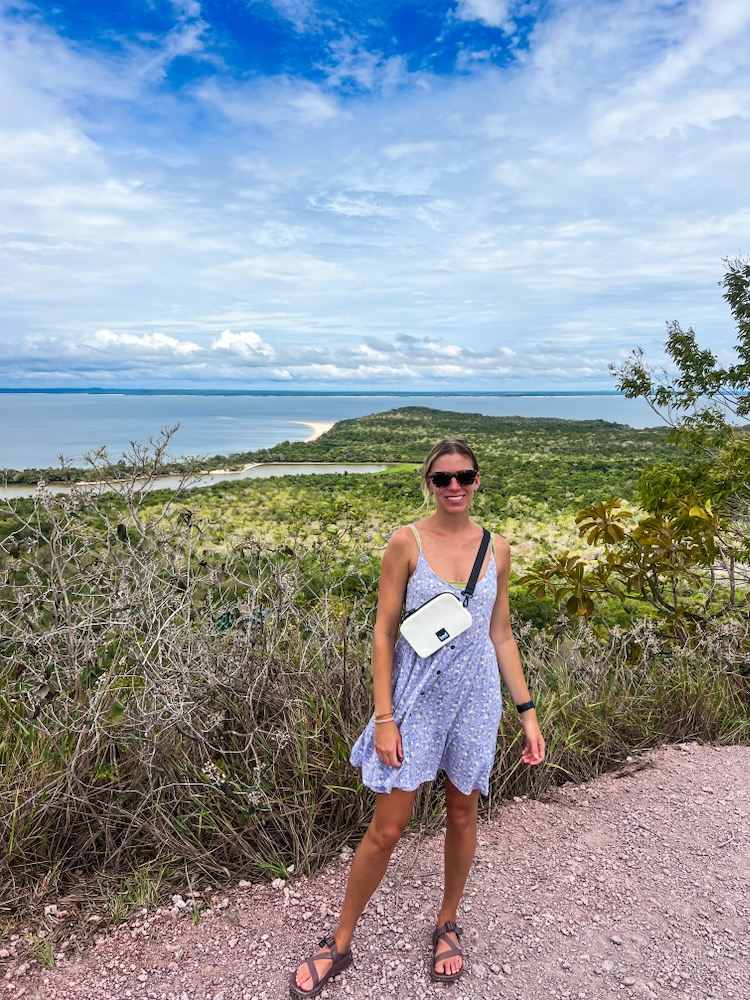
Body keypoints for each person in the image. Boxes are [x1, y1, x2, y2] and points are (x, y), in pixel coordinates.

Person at [289, 438, 545, 998]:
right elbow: (382, 632)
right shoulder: (405, 543)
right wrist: (385, 718)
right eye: (443, 478)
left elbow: (500, 634)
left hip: (476, 698)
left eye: (465, 476)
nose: (454, 487)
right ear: (428, 483)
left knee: (462, 812)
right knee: (388, 826)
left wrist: (527, 712)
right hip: (417, 698)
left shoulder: (497, 549)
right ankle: (340, 939)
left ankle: (447, 921)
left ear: (478, 481)